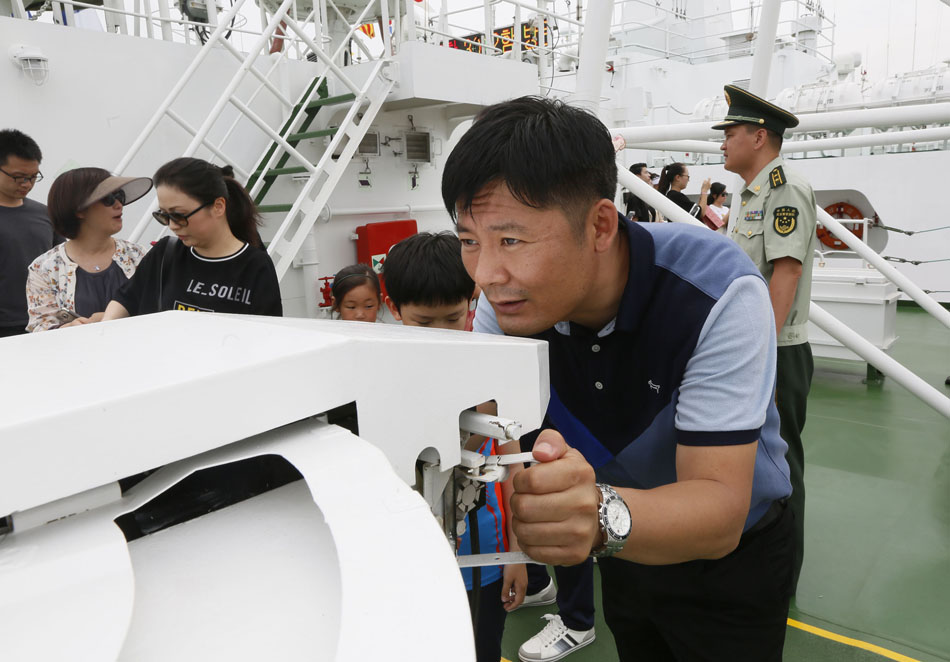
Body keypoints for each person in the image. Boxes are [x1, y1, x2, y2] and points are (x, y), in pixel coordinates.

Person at [444, 96, 794, 662]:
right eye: (469, 241)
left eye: (511, 240)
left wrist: (593, 514)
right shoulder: (505, 303)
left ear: (600, 225)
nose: (485, 275)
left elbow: (720, 510)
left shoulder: (715, 293)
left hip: (732, 562)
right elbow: (479, 423)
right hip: (621, 548)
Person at [382, 231, 528, 662]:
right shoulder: (380, 380)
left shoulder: (490, 375)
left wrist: (516, 554)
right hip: (408, 564)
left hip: (484, 558)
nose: (441, 333)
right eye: (424, 322)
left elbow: (514, 469)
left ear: (472, 301)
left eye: (453, 317)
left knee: (482, 649)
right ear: (394, 308)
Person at [714, 84, 817, 594]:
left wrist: (764, 357)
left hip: (778, 351)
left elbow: (785, 274)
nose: (723, 142)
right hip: (756, 348)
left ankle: (782, 578)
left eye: (730, 132)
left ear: (759, 136)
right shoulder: (750, 194)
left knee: (782, 462)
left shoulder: (785, 189)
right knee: (748, 458)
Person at [101, 157, 281, 320]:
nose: (172, 225)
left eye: (179, 215)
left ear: (218, 206)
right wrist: (104, 328)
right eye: (164, 215)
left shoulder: (255, 266)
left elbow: (268, 331)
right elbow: (126, 299)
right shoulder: (165, 253)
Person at [26, 168, 152, 331]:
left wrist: (113, 317)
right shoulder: (44, 268)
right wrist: (69, 328)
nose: (119, 204)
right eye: (108, 198)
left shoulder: (138, 255)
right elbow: (39, 327)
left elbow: (160, 307)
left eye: (120, 196)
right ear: (79, 210)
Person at [0, 129, 60, 337]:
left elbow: (61, 266)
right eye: (18, 177)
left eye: (33, 177)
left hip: (44, 323)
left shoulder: (46, 214)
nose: (26, 184)